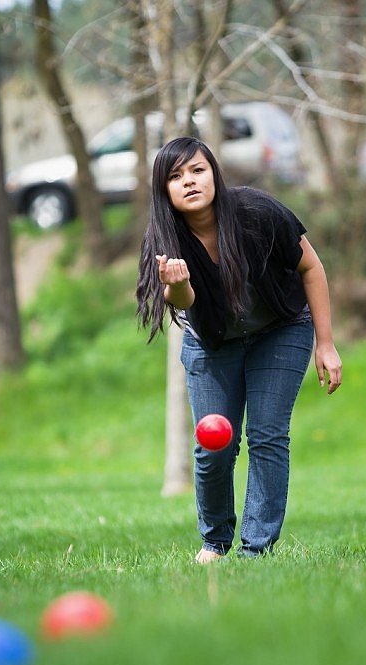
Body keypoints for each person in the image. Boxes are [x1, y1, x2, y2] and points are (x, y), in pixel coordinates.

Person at [136, 136, 342, 563]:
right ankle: (214, 540)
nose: (189, 181)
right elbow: (184, 304)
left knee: (267, 434)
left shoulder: (257, 213)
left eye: (197, 170)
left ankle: (256, 547)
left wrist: (326, 343)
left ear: (214, 172)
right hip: (211, 345)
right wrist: (177, 285)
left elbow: (310, 266)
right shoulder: (163, 239)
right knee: (214, 445)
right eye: (176, 177)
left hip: (280, 331)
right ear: (164, 191)